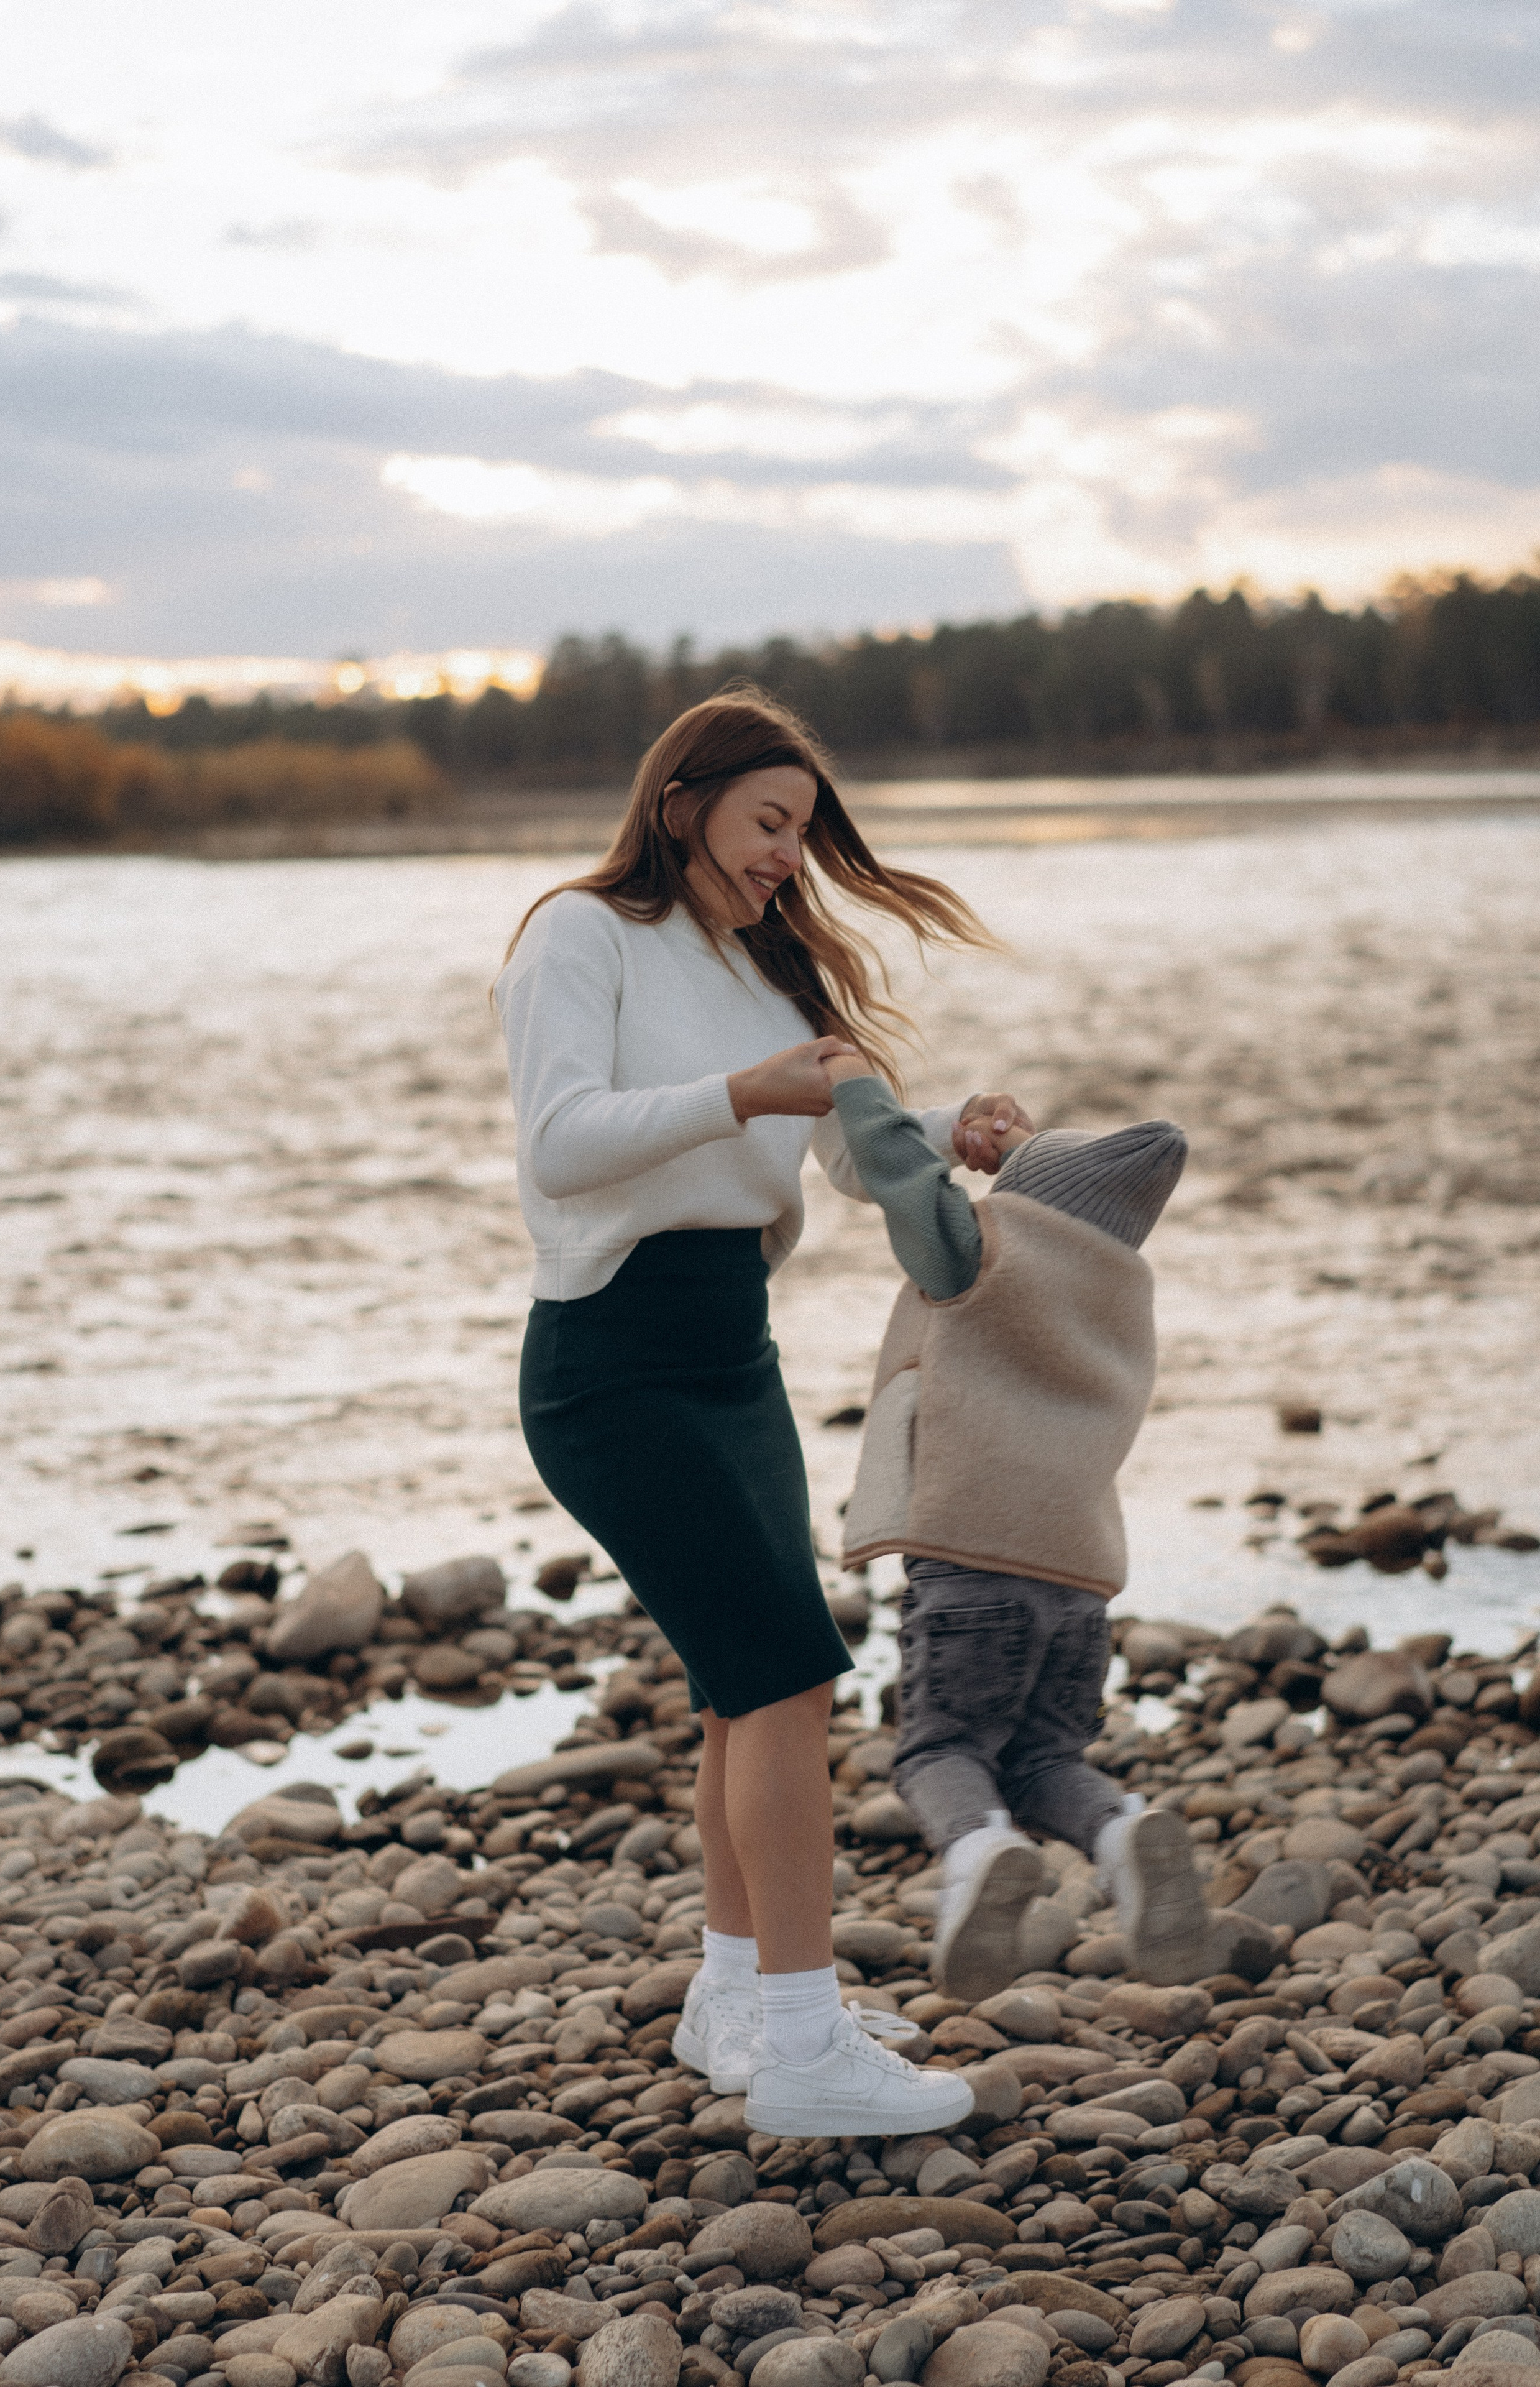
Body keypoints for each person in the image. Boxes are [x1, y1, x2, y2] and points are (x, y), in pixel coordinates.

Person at [493, 688, 1023, 2136]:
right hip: (610, 1361)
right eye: (766, 822)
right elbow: (557, 1145)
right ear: (683, 805)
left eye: (802, 831)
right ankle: (802, 2044)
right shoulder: (578, 934)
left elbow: (849, 1157)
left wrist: (944, 1137)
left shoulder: (771, 973)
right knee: (788, 1674)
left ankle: (735, 1996)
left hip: (736, 1354)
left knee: (744, 1680)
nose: (788, 855)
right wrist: (735, 1093)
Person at [823, 1051, 1214, 1997]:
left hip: (971, 1561)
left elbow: (900, 1181)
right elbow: (1074, 1198)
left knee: (939, 1752)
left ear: (1022, 1199)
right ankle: (1121, 1834)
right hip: (1079, 1574)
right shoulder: (1121, 1288)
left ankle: (977, 1851)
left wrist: (853, 1087)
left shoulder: (986, 1255)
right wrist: (1027, 1156)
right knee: (1045, 1758)